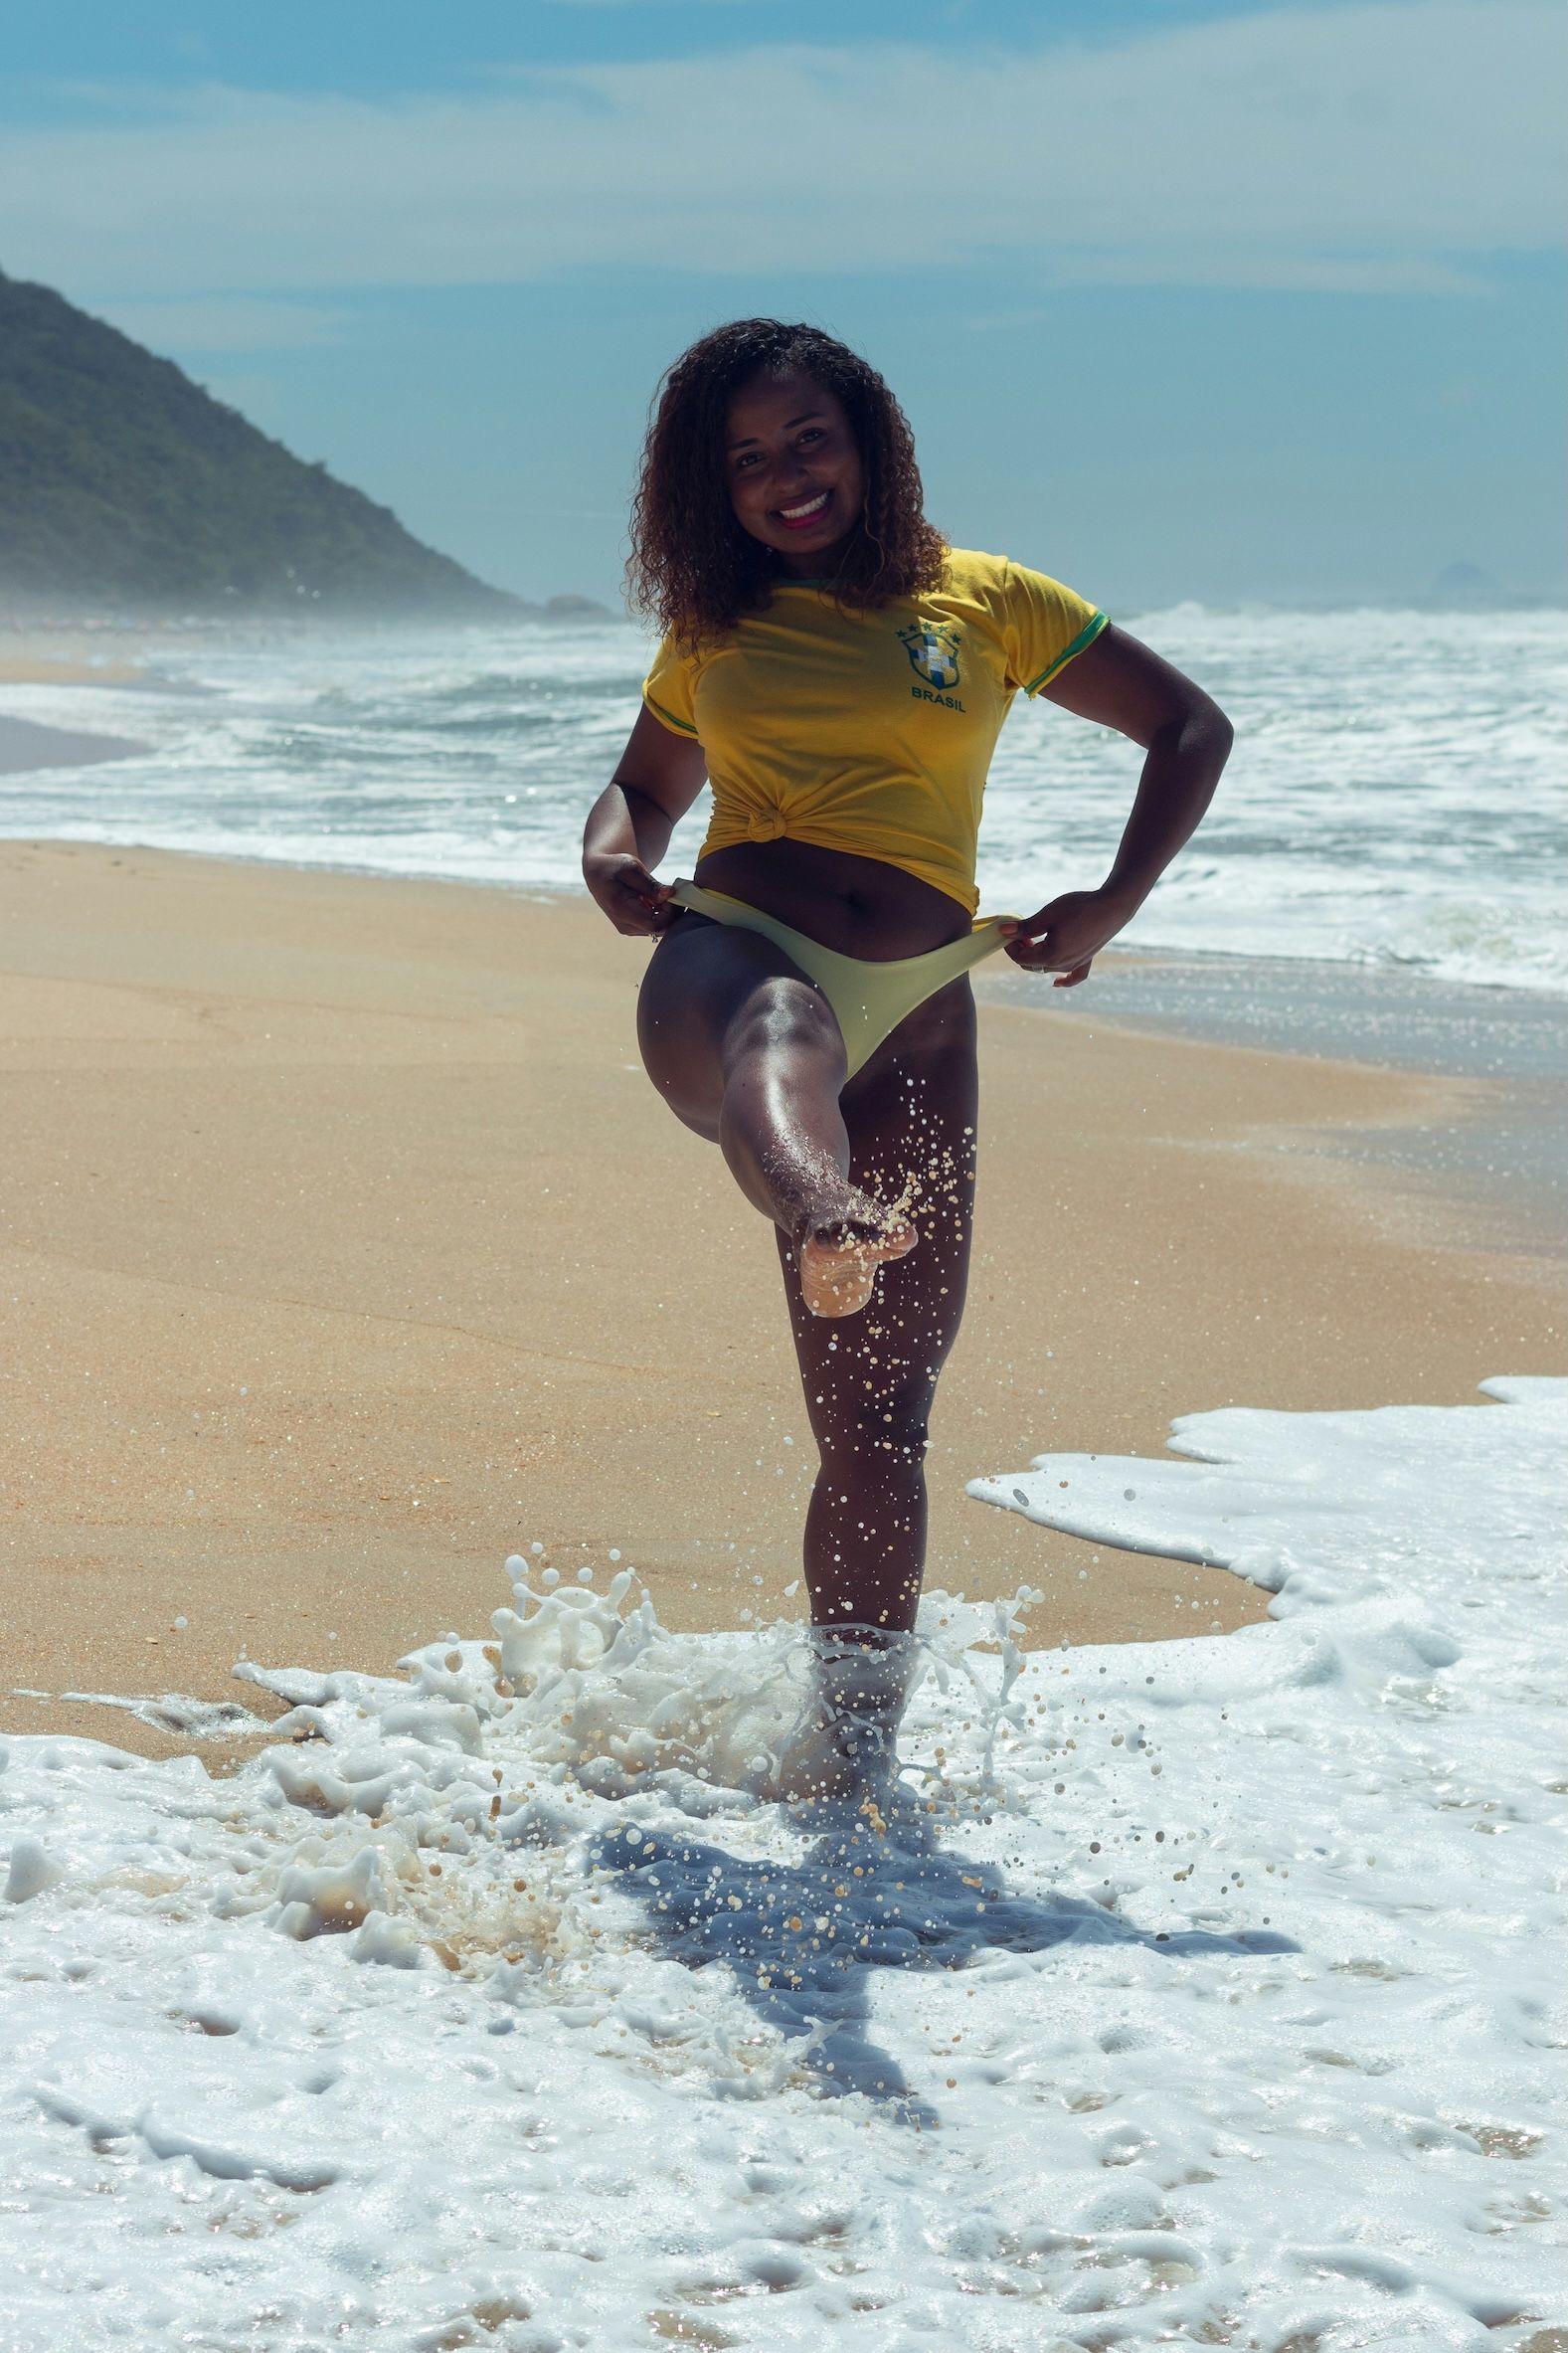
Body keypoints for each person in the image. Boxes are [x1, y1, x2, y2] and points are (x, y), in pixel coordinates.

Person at [582, 319, 1232, 1797]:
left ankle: (853, 1764)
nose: (781, 478)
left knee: (880, 1420)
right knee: (780, 1035)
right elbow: (637, 787)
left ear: (868, 438)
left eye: (804, 438)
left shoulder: (987, 601)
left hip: (929, 998)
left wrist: (1110, 900)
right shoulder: (711, 627)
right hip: (734, 948)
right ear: (711, 489)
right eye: (743, 459)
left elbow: (1187, 724)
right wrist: (612, 857)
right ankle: (821, 1208)